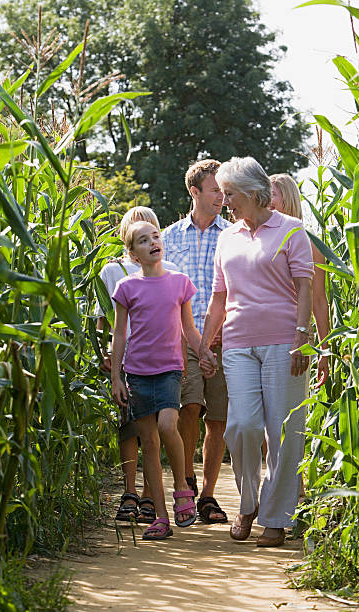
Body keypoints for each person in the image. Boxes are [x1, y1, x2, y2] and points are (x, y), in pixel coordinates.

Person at [199, 156, 314, 547]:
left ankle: (276, 518)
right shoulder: (226, 237)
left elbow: (305, 291)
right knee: (242, 426)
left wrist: (303, 338)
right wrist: (203, 344)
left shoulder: (292, 230)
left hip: (284, 342)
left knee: (283, 432)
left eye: (230, 194)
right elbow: (219, 297)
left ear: (252, 192)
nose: (225, 202)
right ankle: (248, 504)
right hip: (237, 344)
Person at [111, 221, 214, 540]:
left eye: (155, 236)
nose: (153, 242)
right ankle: (160, 516)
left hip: (171, 370)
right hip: (137, 374)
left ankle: (182, 485)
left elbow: (189, 329)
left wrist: (204, 352)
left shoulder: (180, 283)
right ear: (133, 254)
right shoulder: (126, 288)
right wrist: (116, 376)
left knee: (168, 426)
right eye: (143, 240)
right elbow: (119, 333)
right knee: (150, 445)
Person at [97, 207, 177, 524]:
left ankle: (148, 493)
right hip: (125, 359)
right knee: (128, 427)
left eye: (152, 230)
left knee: (154, 429)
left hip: (160, 359)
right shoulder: (111, 271)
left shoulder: (168, 268)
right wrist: (106, 358)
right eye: (135, 231)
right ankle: (129, 491)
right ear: (127, 239)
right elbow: (104, 322)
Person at [162, 159, 231, 524]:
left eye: (223, 190)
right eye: (215, 190)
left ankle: (207, 496)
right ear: (195, 192)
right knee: (189, 407)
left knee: (217, 419)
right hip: (184, 335)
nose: (222, 196)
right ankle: (186, 481)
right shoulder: (169, 237)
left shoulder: (234, 235)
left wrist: (220, 330)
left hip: (223, 335)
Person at [270, 173, 330, 386]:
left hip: (295, 335)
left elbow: (319, 301)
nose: (265, 201)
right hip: (259, 335)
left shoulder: (310, 244)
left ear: (288, 198)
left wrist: (325, 350)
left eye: (271, 195)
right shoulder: (256, 240)